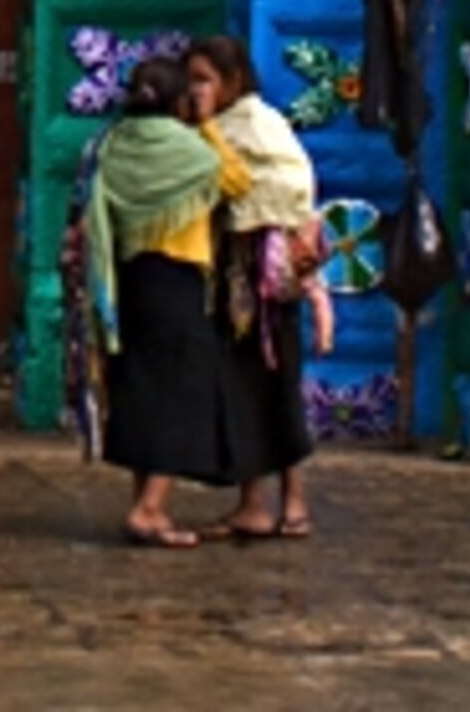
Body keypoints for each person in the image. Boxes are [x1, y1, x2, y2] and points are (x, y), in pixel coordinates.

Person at [74, 52, 250, 547]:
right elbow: (236, 181)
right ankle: (150, 509)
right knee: (181, 396)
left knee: (143, 393)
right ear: (180, 102)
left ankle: (146, 504)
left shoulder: (112, 143)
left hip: (129, 279)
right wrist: (208, 126)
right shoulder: (190, 150)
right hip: (178, 283)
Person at [185, 31, 330, 541]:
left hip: (263, 275)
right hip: (236, 275)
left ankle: (291, 501)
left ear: (234, 81)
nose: (197, 90)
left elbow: (275, 187)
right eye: (191, 80)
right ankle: (254, 502)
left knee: (274, 381)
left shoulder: (258, 127)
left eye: (205, 79)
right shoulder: (217, 130)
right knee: (245, 386)